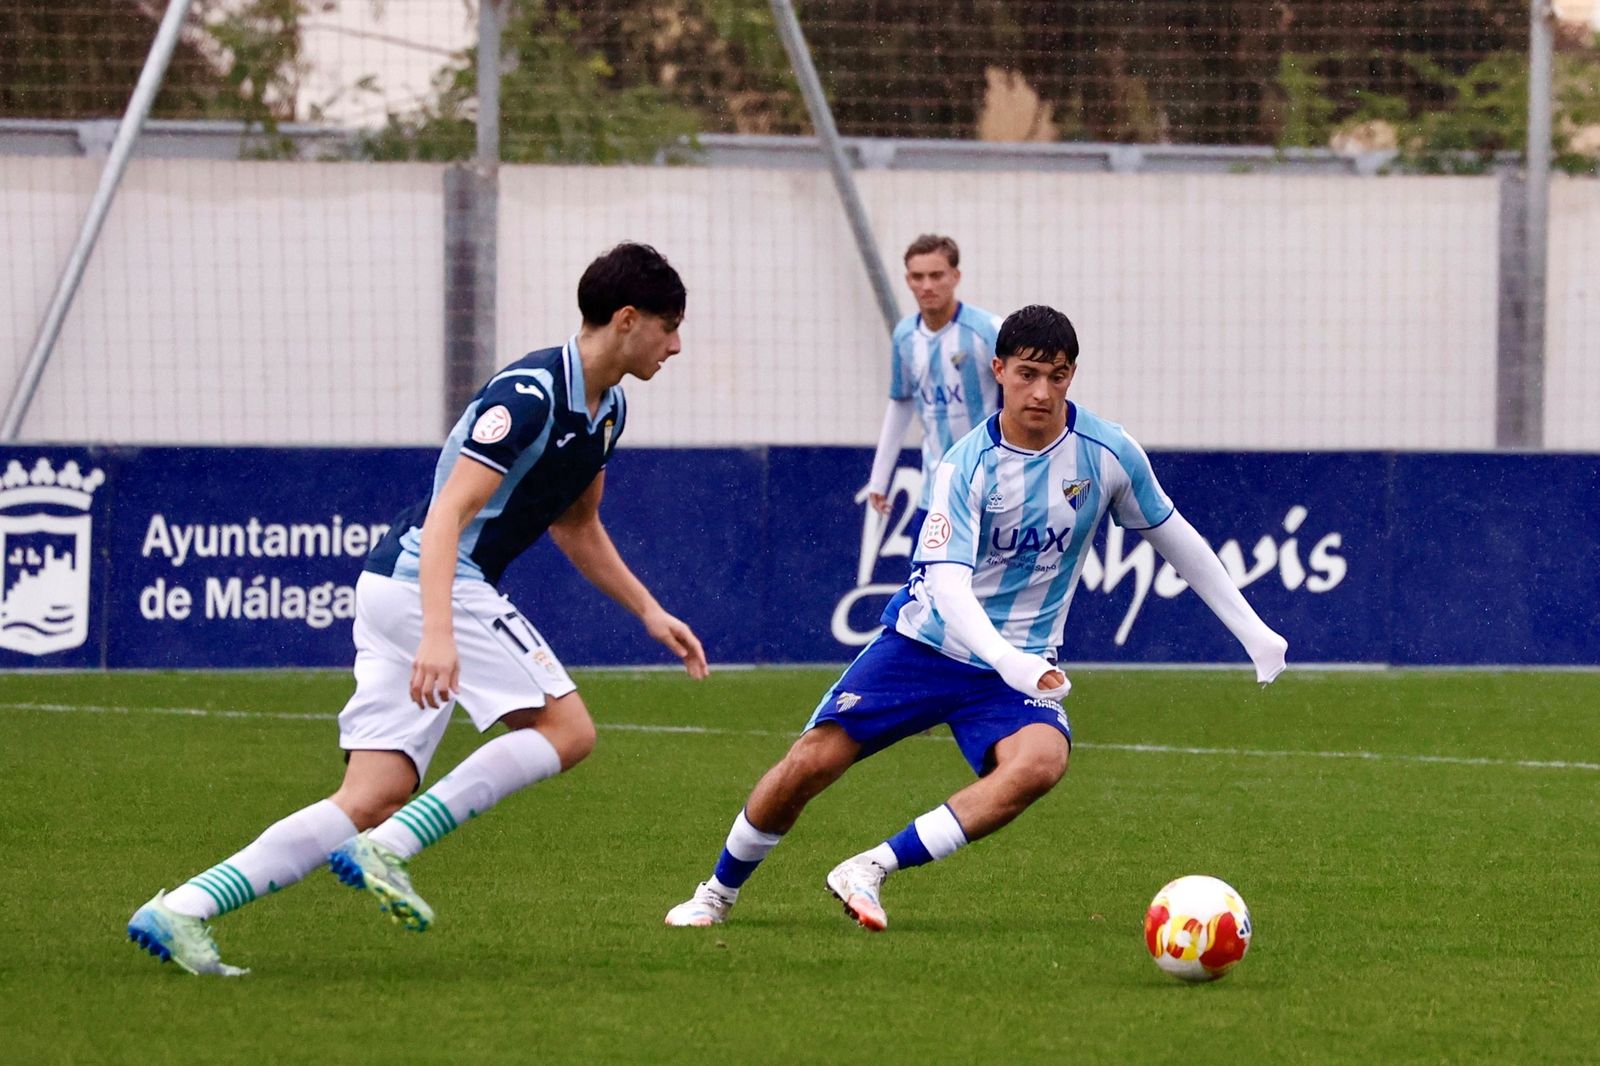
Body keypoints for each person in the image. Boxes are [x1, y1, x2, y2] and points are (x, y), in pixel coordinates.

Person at [129, 242, 709, 976]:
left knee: (373, 793)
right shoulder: (527, 395)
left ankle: (182, 908)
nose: (678, 344)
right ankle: (393, 847)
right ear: (628, 319)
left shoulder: (609, 409)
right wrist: (439, 631)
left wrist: (647, 611)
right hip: (429, 582)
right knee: (568, 730)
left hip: (401, 589)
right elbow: (447, 517)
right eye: (671, 325)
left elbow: (575, 522)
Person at [665, 304, 1286, 931]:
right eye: (1027, 374)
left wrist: (1254, 633)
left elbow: (1178, 540)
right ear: (999, 370)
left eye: (1059, 375)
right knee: (811, 764)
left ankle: (871, 867)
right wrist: (1010, 661)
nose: (1042, 391)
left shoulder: (1108, 453)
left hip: (1016, 669)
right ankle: (716, 892)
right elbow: (949, 586)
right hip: (926, 646)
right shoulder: (966, 463)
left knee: (1042, 762)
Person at [861, 235, 1004, 544]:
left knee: (988, 590)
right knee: (923, 589)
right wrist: (879, 477)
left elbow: (1020, 399)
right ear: (908, 280)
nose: (927, 285)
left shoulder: (988, 330)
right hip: (934, 497)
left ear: (956, 276)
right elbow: (901, 403)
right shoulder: (905, 336)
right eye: (918, 276)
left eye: (936, 275)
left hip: (990, 494)